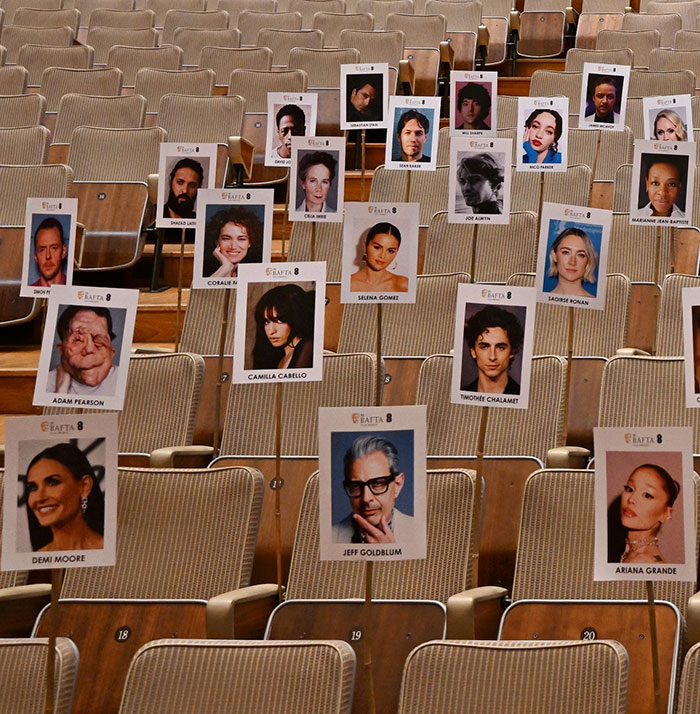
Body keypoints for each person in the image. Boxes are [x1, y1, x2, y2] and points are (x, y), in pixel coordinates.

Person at [333, 435, 414, 544]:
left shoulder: (421, 533)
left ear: (397, 485)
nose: (366, 499)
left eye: (377, 483)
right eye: (356, 486)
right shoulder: (330, 537)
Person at [24, 442, 104, 552]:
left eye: (52, 483)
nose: (39, 498)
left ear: (84, 486)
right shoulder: (36, 558)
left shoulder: (115, 553)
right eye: (33, 488)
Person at [608, 464, 680, 564]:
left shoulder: (642, 561)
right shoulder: (632, 554)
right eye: (629, 489)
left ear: (666, 513)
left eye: (647, 495)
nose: (631, 499)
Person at [46, 305, 118, 396]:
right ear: (61, 349)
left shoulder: (127, 380)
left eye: (99, 342)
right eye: (78, 340)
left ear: (111, 352)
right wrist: (61, 390)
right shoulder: (46, 383)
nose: (89, 349)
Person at [462, 305, 523, 394]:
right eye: (484, 347)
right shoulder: (462, 394)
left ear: (512, 351)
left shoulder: (524, 397)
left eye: (501, 347)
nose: (492, 357)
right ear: (473, 351)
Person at [252, 284, 314, 369]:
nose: (271, 331)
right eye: (267, 322)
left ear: (293, 319)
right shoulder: (279, 359)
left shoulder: (307, 347)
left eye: (279, 321)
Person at [203, 206, 264, 278]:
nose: (233, 246)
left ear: (250, 242)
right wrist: (225, 268)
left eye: (241, 239)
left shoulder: (257, 272)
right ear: (217, 241)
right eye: (226, 238)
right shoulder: (203, 269)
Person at [350, 222, 409, 293]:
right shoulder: (349, 283)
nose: (382, 256)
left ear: (396, 252)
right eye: (377, 247)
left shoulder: (404, 285)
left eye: (390, 251)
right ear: (365, 246)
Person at [546, 226, 599, 298]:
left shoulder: (595, 304)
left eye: (580, 255)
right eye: (565, 252)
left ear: (588, 261)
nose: (572, 262)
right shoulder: (539, 299)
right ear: (554, 255)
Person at [30, 217, 67, 287]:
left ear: (63, 251)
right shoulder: (27, 295)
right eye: (42, 250)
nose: (48, 256)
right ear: (35, 256)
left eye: (54, 248)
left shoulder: (75, 290)